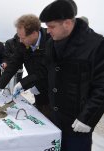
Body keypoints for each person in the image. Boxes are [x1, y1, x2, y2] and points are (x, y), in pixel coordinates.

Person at [39, 0, 104, 151]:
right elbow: (45, 70)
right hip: (55, 119)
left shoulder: (96, 45)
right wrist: (26, 83)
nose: (48, 31)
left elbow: (101, 86)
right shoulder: (51, 43)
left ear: (67, 23)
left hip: (78, 124)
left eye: (51, 26)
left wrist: (88, 118)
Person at [0, 14, 50, 116]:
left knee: (50, 118)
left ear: (34, 33)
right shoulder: (22, 43)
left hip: (52, 92)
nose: (20, 40)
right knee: (40, 112)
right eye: (19, 37)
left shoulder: (50, 41)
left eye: (23, 37)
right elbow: (14, 64)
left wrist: (23, 83)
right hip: (37, 90)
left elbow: (44, 70)